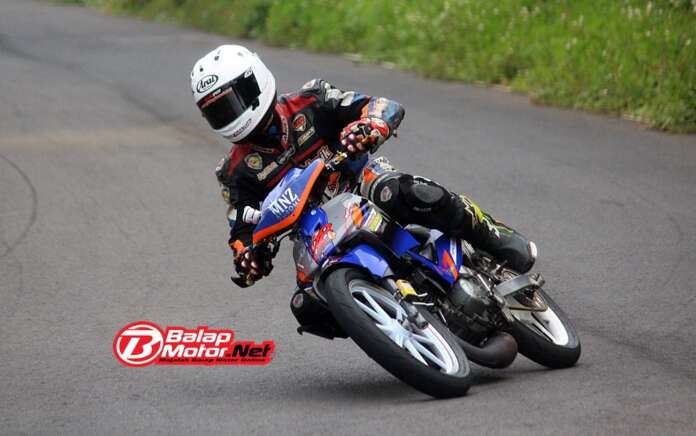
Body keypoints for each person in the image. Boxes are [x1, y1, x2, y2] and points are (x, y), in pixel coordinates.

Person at [190, 45, 536, 287]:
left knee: (410, 193)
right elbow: (241, 227)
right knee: (306, 305)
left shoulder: (311, 100)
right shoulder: (233, 172)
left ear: (254, 82)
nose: (229, 116)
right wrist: (248, 257)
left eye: (231, 103)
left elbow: (382, 105)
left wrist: (371, 125)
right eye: (217, 111)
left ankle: (490, 234)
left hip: (362, 184)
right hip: (317, 230)